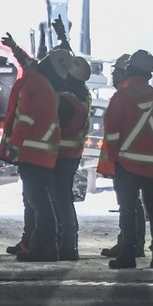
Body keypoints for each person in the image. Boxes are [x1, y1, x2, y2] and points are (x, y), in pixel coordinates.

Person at [99, 50, 153, 270]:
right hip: (150, 166)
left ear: (130, 70)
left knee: (127, 209)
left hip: (126, 165)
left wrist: (112, 159)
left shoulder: (120, 98)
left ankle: (127, 256)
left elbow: (111, 134)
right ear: (149, 74)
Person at [0, 33, 63, 261]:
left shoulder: (36, 84)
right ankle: (32, 243)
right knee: (34, 200)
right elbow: (27, 62)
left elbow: (26, 118)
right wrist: (14, 47)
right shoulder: (43, 82)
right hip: (39, 153)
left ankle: (45, 246)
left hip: (34, 153)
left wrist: (13, 145)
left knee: (38, 202)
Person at [50, 52, 93, 263]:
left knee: (61, 199)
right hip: (72, 154)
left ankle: (66, 244)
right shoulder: (83, 95)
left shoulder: (66, 100)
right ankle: (68, 243)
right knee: (64, 198)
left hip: (61, 155)